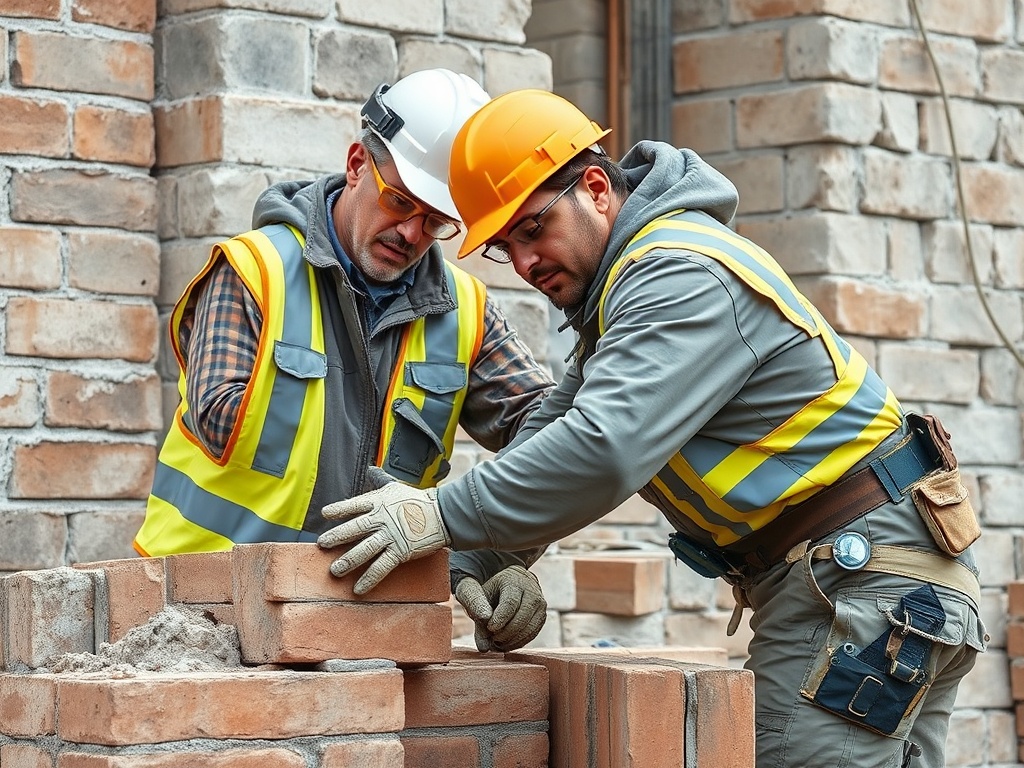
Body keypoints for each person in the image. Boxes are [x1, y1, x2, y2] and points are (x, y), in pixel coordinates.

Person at [316, 89, 988, 768]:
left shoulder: (677, 273)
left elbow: (603, 448)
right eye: (504, 248)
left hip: (858, 579)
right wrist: (483, 562)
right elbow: (560, 421)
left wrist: (435, 515)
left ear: (598, 189)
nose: (524, 263)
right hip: (881, 578)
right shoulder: (630, 292)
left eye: (533, 229)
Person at [134, 70, 556, 653]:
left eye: (436, 221)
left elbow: (554, 438)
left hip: (361, 634)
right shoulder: (255, 274)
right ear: (357, 163)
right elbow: (223, 421)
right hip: (198, 623)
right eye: (400, 201)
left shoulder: (466, 312)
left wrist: (492, 556)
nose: (412, 233)